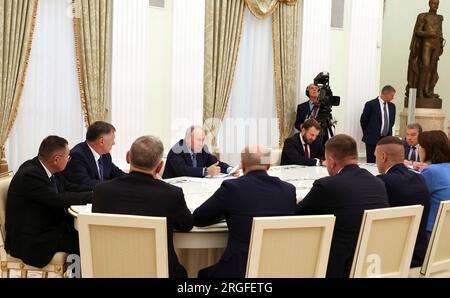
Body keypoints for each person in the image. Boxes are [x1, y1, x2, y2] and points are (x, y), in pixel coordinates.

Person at [92, 136, 193, 278]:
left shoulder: (101, 191)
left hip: (111, 270)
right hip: (160, 272)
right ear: (159, 166)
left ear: (128, 157)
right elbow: (186, 225)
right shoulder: (171, 194)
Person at [193, 145, 297, 278]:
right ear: (269, 165)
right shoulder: (288, 191)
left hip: (239, 270)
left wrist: (226, 211)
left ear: (242, 165)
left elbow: (198, 218)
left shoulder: (232, 188)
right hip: (279, 269)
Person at [296, 135, 389, 278]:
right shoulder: (378, 183)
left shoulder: (327, 185)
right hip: (375, 259)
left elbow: (298, 215)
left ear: (332, 162)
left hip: (340, 265)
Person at [5, 136, 92, 268]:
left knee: (85, 234)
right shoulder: (30, 174)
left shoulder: (46, 167)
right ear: (56, 159)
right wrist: (93, 197)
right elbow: (57, 199)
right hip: (33, 239)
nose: (69, 160)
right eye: (68, 157)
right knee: (85, 242)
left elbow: (68, 187)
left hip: (47, 226)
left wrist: (97, 191)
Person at [375, 136, 430, 267]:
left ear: (383, 157)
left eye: (375, 156)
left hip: (393, 259)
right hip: (420, 253)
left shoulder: (382, 182)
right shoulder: (420, 179)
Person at [63, 121, 126, 189]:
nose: (114, 143)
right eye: (112, 139)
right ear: (101, 141)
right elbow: (84, 182)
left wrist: (134, 179)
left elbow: (117, 173)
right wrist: (115, 185)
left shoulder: (105, 155)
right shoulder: (77, 155)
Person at [163, 126, 236, 179]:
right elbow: (182, 171)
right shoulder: (177, 150)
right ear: (188, 139)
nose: (202, 143)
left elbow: (215, 163)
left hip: (194, 186)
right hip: (173, 189)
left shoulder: (203, 149)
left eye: (203, 140)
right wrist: (206, 171)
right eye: (198, 140)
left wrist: (230, 170)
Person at [406, 0, 444, 100]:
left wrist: (441, 44)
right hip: (427, 44)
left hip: (436, 45)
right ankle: (419, 91)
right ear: (430, 4)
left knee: (432, 68)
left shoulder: (440, 18)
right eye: (434, 4)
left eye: (437, 4)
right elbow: (417, 31)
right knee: (425, 66)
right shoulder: (424, 16)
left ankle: (427, 91)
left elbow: (440, 32)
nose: (436, 6)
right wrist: (428, 34)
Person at [418, 131, 450, 238]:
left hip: (432, 231)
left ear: (426, 149)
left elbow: (417, 198)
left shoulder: (430, 171)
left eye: (420, 146)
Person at [360, 85, 397, 163]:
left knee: (384, 161)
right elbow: (363, 120)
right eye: (392, 96)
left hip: (386, 139)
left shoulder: (392, 106)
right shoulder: (371, 104)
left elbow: (392, 122)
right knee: (371, 161)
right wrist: (369, 132)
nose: (393, 98)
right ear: (386, 94)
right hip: (372, 138)